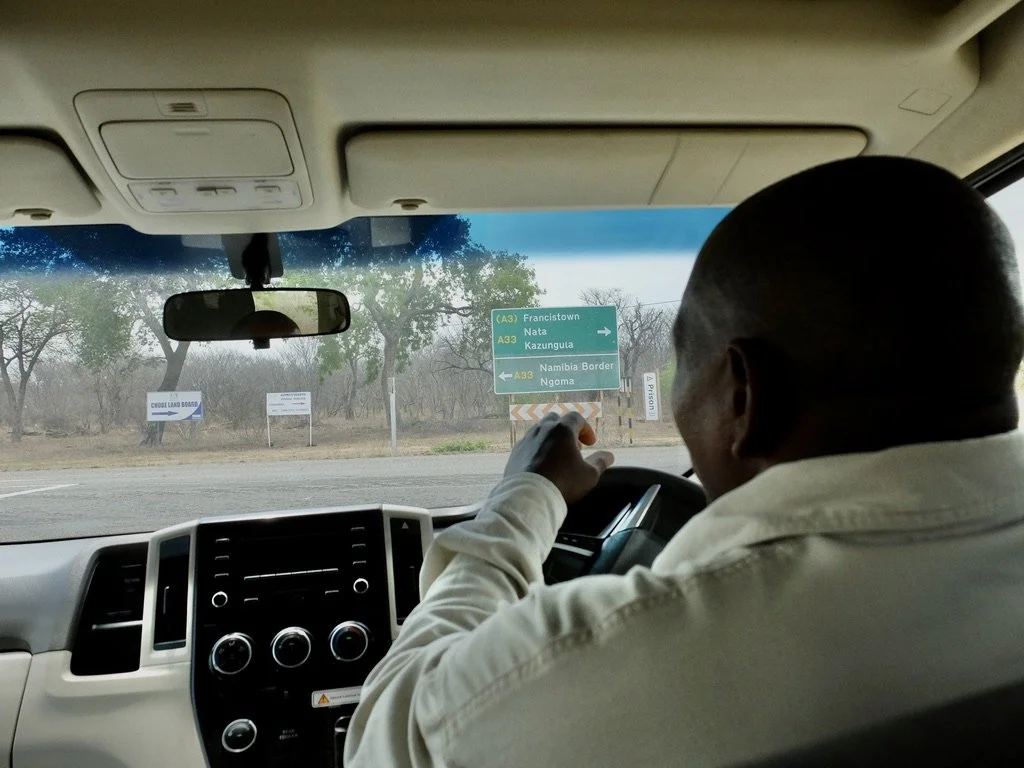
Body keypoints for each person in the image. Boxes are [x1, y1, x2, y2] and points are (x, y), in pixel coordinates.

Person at [344, 156, 1024, 767]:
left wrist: (523, 499)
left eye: (684, 364)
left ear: (743, 394)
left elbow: (384, 736)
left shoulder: (610, 656)